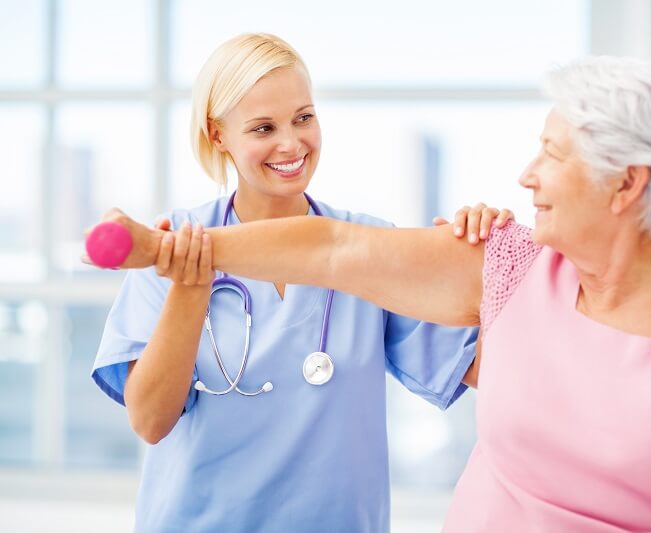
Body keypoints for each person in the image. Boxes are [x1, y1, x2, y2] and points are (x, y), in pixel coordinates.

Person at [93, 55, 651, 531]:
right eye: (264, 124)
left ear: (627, 182)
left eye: (551, 155)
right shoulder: (508, 265)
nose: (525, 175)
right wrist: (168, 253)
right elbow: (332, 248)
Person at [90, 33, 515, 532]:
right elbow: (150, 421)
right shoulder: (173, 245)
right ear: (217, 135)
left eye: (304, 118)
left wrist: (493, 260)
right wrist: (190, 282)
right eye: (263, 127)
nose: (291, 143)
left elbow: (495, 372)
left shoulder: (370, 244)